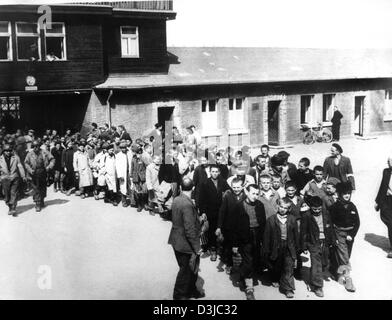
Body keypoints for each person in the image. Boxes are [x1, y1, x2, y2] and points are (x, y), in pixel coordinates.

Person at [168, 177, 204, 300]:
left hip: (176, 240)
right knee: (186, 271)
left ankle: (191, 291)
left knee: (191, 269)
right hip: (185, 243)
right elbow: (189, 230)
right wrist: (197, 247)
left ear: (180, 188)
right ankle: (179, 296)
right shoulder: (188, 204)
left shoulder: (177, 199)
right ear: (193, 188)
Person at [231, 184, 266, 300]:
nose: (255, 196)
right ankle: (249, 288)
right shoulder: (239, 206)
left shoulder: (260, 205)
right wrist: (235, 244)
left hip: (257, 236)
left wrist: (263, 239)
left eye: (257, 194)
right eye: (253, 193)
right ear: (246, 192)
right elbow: (234, 227)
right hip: (244, 237)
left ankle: (243, 276)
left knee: (255, 259)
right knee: (248, 261)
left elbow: (263, 223)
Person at [264, 198, 299, 298]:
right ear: (277, 206)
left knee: (288, 267)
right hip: (276, 246)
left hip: (289, 246)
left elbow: (296, 234)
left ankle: (288, 289)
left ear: (289, 209)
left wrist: (297, 248)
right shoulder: (271, 220)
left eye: (285, 208)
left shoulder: (292, 219)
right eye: (281, 207)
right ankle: (275, 277)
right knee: (276, 265)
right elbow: (266, 237)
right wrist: (266, 250)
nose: (283, 209)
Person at [300, 195, 333, 298]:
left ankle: (313, 276)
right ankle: (318, 286)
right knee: (316, 263)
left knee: (324, 263)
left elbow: (330, 228)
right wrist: (304, 246)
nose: (317, 211)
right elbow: (303, 232)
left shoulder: (326, 214)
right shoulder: (307, 216)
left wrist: (332, 240)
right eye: (314, 209)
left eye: (319, 208)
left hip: (325, 241)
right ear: (310, 207)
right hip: (313, 242)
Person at [329, 182, 360, 292]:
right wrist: (334, 238)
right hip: (339, 233)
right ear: (339, 194)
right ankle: (348, 280)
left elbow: (357, 222)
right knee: (344, 256)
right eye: (344, 193)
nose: (347, 195)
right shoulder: (334, 207)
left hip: (350, 235)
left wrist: (352, 235)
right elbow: (330, 224)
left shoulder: (352, 206)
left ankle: (338, 275)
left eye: (349, 193)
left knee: (347, 255)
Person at [198, 165, 230, 261]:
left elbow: (229, 191)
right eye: (213, 171)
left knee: (220, 229)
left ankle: (221, 248)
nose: (215, 173)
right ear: (210, 172)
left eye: (216, 172)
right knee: (211, 231)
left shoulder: (223, 181)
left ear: (219, 172)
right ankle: (213, 250)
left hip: (221, 210)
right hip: (209, 211)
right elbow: (201, 199)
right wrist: (203, 212)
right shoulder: (205, 183)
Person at [216, 177, 246, 275]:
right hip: (229, 227)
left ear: (242, 187)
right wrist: (219, 226)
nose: (236, 189)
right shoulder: (228, 197)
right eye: (234, 187)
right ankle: (229, 264)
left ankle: (242, 265)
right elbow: (222, 212)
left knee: (241, 247)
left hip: (242, 227)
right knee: (228, 247)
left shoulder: (246, 197)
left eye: (238, 187)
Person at [24, 140, 55, 212]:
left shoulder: (45, 152)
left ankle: (42, 199)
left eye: (37, 146)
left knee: (43, 187)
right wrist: (30, 170)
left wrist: (49, 166)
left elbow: (52, 159)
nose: (36, 148)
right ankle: (37, 203)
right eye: (34, 146)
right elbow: (26, 163)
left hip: (43, 172)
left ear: (39, 146)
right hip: (34, 173)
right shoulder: (29, 154)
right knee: (36, 188)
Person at [0, 143, 26, 216]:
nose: (8, 152)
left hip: (14, 177)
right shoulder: (0, 159)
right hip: (5, 178)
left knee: (13, 193)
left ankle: (13, 208)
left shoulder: (15, 157)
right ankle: (10, 206)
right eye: (6, 151)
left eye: (10, 151)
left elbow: (20, 166)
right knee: (7, 195)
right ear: (3, 151)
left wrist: (23, 176)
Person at [375, 155, 392, 258]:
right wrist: (377, 201)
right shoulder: (386, 171)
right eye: (388, 161)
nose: (388, 163)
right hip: (387, 200)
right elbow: (382, 186)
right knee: (390, 223)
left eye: (390, 161)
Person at [131, 146, 149, 212]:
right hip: (136, 177)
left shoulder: (143, 158)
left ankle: (145, 204)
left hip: (142, 177)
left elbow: (147, 166)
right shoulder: (133, 159)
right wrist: (131, 176)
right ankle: (139, 205)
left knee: (144, 191)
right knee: (137, 192)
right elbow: (132, 168)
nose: (132, 153)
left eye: (133, 152)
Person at [115, 142, 132, 207]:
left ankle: (132, 201)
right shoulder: (118, 155)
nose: (123, 149)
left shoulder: (129, 153)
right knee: (123, 188)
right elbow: (117, 166)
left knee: (130, 186)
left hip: (129, 172)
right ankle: (124, 201)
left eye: (124, 148)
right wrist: (119, 175)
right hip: (122, 173)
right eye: (122, 148)